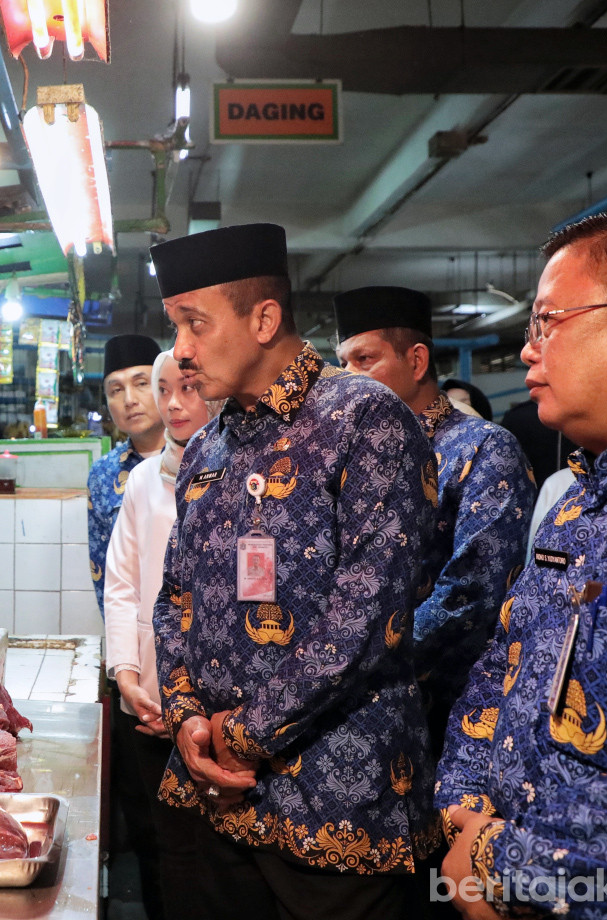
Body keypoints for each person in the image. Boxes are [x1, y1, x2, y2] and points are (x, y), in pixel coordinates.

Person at [149, 223, 439, 920]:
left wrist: (243, 736)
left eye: (195, 324)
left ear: (264, 319)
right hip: (213, 805)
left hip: (334, 817)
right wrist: (187, 717)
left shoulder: (366, 422)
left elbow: (369, 617)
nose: (181, 351)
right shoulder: (207, 449)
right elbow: (174, 600)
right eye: (175, 327)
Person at [436, 208, 607, 919]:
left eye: (547, 322)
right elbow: (505, 660)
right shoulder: (583, 500)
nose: (528, 351)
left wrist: (504, 865)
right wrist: (465, 810)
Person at [334, 286, 536, 754]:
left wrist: (357, 665)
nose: (347, 379)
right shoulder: (352, 458)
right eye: (341, 364)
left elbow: (472, 595)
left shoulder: (483, 449)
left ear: (417, 361)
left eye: (363, 360)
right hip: (353, 707)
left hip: (449, 712)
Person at [104, 349, 220, 920]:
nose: (174, 403)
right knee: (171, 848)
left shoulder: (250, 476)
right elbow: (122, 585)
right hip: (152, 697)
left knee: (223, 858)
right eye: (164, 388)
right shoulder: (144, 482)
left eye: (189, 388)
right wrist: (125, 672)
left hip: (226, 712)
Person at [87, 333, 163, 614]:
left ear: (163, 386)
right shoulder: (103, 474)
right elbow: (102, 570)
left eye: (141, 383)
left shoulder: (200, 458)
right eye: (116, 390)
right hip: (134, 630)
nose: (129, 399)